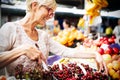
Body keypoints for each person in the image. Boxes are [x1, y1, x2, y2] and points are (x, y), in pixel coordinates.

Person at [0, 0, 107, 76]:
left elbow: (66, 51)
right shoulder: (10, 29)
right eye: (49, 10)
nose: (51, 15)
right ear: (34, 6)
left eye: (53, 12)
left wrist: (94, 54)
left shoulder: (43, 36)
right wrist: (22, 50)